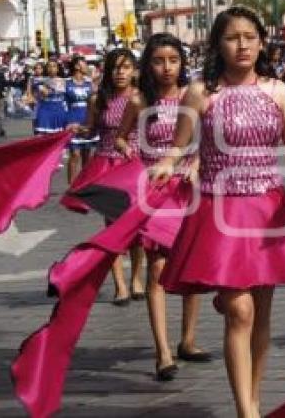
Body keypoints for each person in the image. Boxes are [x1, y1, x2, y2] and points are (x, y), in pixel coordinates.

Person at [151, 6, 285, 418]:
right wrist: (168, 164)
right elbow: (180, 144)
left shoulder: (278, 91)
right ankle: (246, 411)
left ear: (261, 41)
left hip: (267, 210)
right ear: (218, 45)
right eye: (231, 37)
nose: (242, 45)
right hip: (219, 209)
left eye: (249, 36)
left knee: (259, 312)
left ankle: (253, 397)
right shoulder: (201, 92)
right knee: (240, 310)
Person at [114, 33, 209, 381]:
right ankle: (163, 352)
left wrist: (196, 166)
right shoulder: (139, 100)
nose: (166, 67)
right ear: (148, 64)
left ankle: (188, 340)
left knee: (190, 267)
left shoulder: (194, 95)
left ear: (182, 62)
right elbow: (121, 135)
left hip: (189, 189)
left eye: (173, 60)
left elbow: (205, 139)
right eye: (158, 60)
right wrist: (128, 150)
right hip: (153, 192)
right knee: (157, 269)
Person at [67, 49, 144, 305]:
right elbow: (91, 130)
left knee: (137, 229)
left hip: (135, 166)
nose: (120, 72)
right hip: (107, 166)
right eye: (115, 67)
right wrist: (78, 129)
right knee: (112, 227)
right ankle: (120, 285)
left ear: (134, 70)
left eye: (125, 67)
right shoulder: (98, 99)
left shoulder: (142, 97)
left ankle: (135, 278)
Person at [64, 56, 96, 184]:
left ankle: (84, 183)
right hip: (72, 119)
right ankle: (71, 185)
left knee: (87, 155)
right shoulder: (66, 83)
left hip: (87, 119)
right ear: (77, 66)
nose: (87, 66)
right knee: (74, 154)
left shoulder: (90, 83)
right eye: (85, 63)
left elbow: (96, 102)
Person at [33, 59, 68, 135]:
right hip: (45, 110)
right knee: (43, 136)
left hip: (60, 111)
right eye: (49, 66)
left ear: (58, 69)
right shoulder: (40, 80)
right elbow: (45, 93)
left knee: (60, 137)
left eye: (54, 66)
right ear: (46, 69)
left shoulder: (65, 81)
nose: (51, 68)